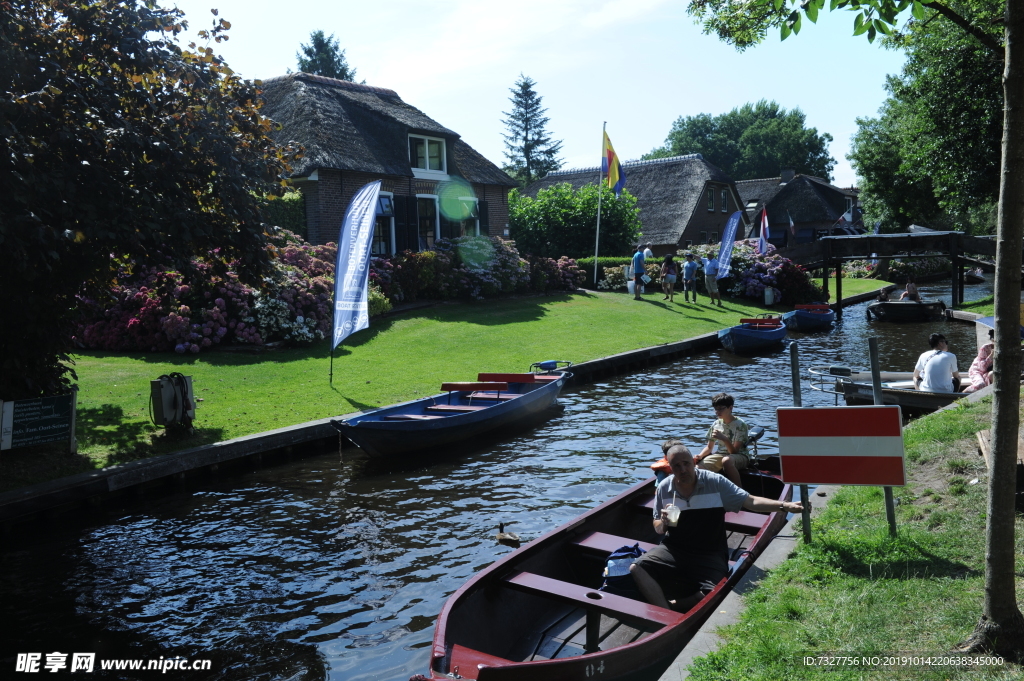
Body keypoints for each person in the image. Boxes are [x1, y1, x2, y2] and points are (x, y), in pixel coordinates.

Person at [630, 445, 804, 611]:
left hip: (710, 552)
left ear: (694, 462)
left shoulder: (714, 481)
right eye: (677, 466)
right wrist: (663, 521)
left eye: (686, 464)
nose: (683, 470)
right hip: (675, 548)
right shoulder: (664, 488)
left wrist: (784, 506)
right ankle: (665, 611)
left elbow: (750, 501)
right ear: (670, 467)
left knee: (712, 592)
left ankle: (674, 605)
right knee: (637, 568)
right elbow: (658, 528)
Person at [695, 392, 748, 487]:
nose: (717, 412)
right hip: (721, 455)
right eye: (716, 409)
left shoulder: (740, 425)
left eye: (721, 409)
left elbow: (734, 452)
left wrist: (724, 439)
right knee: (698, 468)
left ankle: (740, 492)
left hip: (740, 455)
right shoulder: (716, 424)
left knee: (727, 461)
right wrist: (700, 456)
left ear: (730, 408)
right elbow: (709, 447)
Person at [964, 329, 995, 393]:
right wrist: (991, 355)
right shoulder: (985, 348)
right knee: (980, 384)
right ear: (992, 340)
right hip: (977, 370)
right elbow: (982, 367)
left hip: (989, 371)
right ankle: (961, 395)